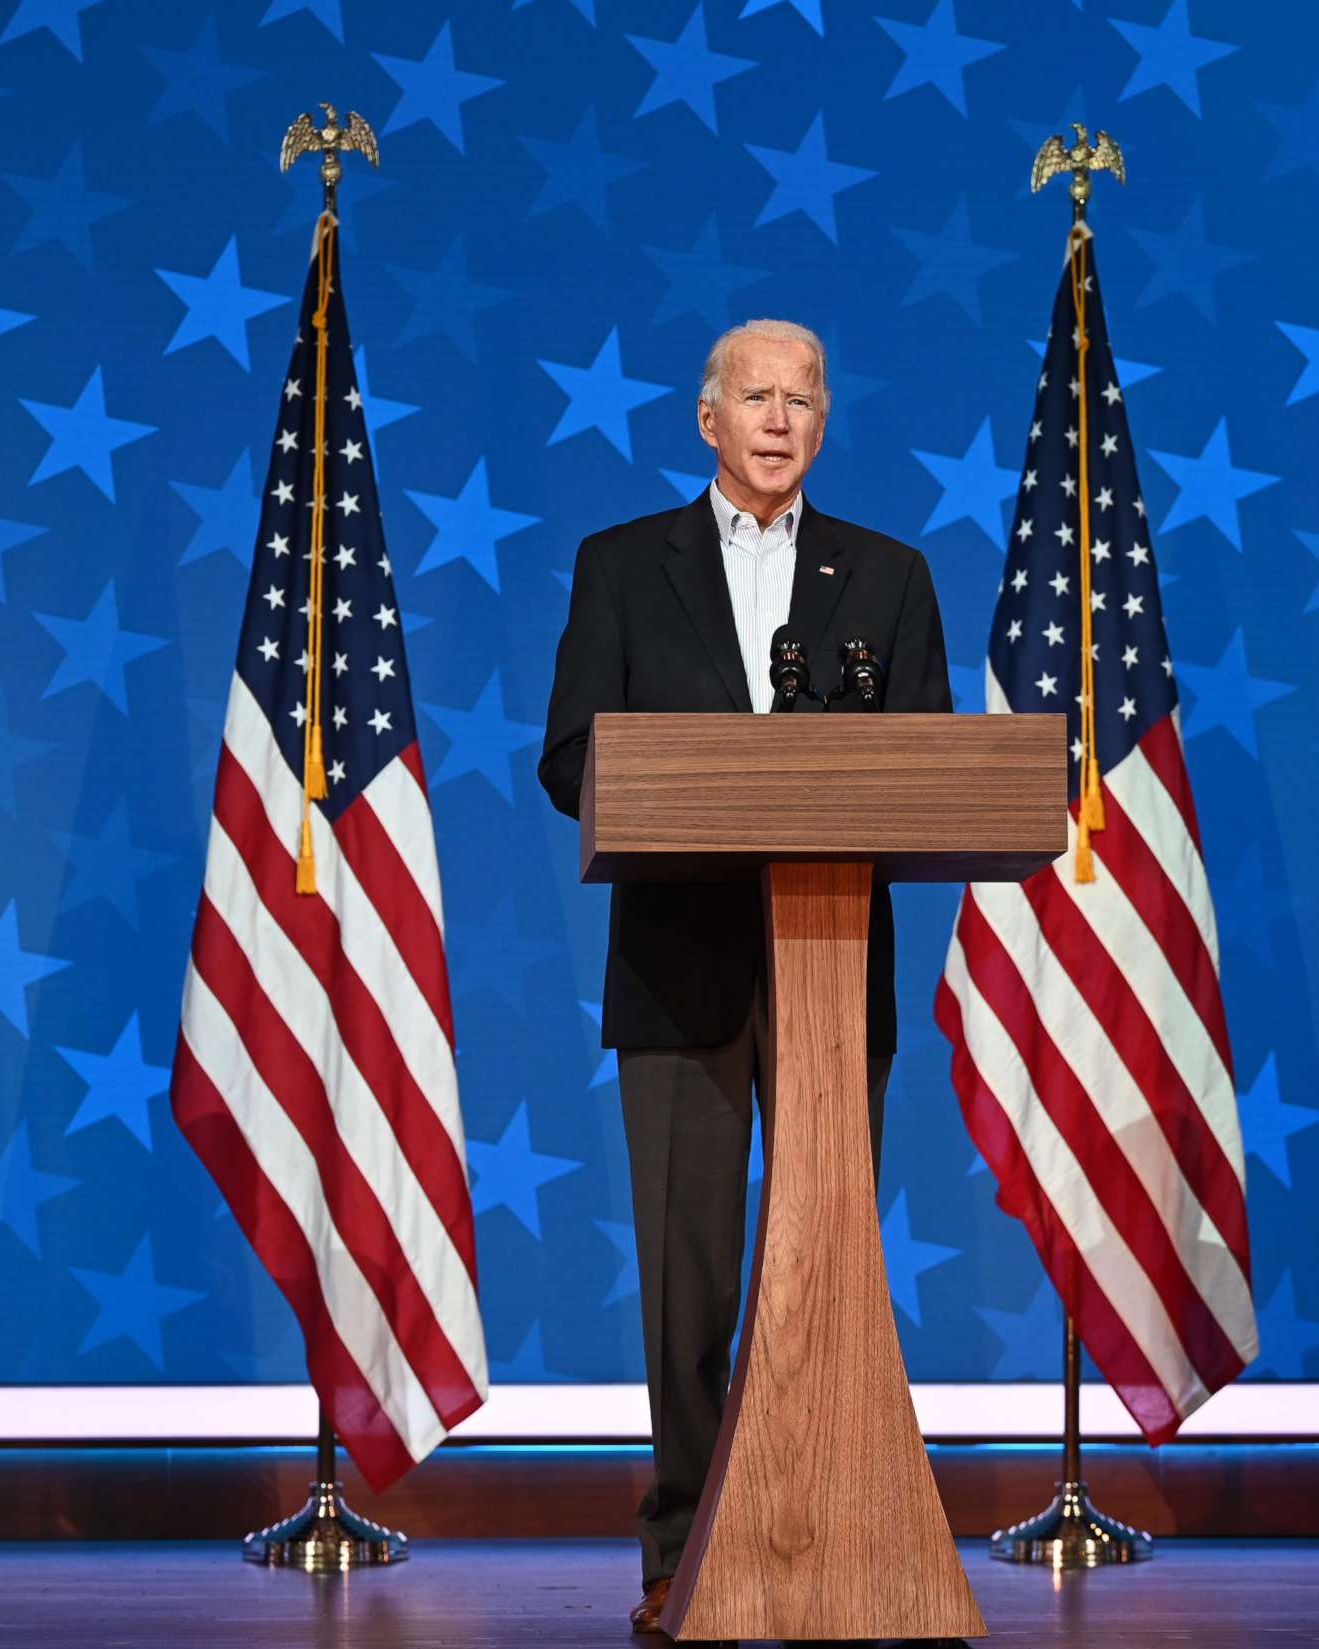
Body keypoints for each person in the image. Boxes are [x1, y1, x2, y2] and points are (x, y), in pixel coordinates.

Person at [537, 319, 950, 1634]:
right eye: (757, 396)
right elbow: (566, 758)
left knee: (825, 1268)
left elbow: (933, 769)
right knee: (693, 1277)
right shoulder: (620, 567)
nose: (781, 418)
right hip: (679, 965)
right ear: (707, 420)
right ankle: (690, 1546)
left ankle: (834, 1541)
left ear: (825, 423)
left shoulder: (887, 575)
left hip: (834, 962)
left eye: (804, 397)